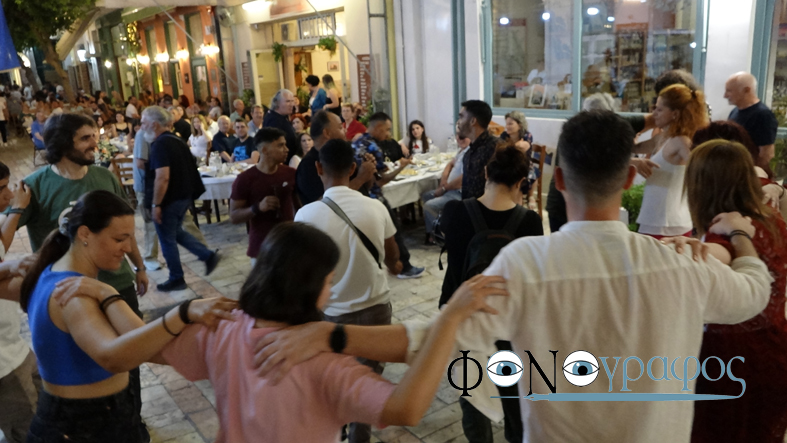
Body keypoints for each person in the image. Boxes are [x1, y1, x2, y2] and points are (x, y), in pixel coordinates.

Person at [255, 111, 773, 443]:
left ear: (559, 179)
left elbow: (432, 339)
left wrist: (333, 335)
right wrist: (738, 234)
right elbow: (754, 292)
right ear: (631, 176)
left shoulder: (526, 263)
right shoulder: (680, 265)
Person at [162, 221, 504, 442]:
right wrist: (449, 318)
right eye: (329, 281)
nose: (331, 288)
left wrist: (181, 313)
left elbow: (151, 349)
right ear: (310, 289)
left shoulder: (223, 328)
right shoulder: (320, 363)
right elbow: (406, 408)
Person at [18, 190, 235, 443]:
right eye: (120, 239)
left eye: (130, 238)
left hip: (99, 416)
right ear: (85, 234)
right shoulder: (75, 295)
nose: (129, 248)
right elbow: (113, 357)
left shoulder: (58, 273)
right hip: (81, 426)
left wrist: (108, 293)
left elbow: (142, 342)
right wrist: (182, 314)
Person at [294, 140, 405, 442]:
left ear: (319, 168)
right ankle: (359, 434)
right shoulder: (375, 207)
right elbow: (393, 255)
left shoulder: (305, 216)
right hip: (375, 309)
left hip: (329, 313)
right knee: (366, 382)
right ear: (354, 168)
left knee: (331, 378)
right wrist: (393, 264)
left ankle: (334, 428)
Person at [682, 140, 787, 443]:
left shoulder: (724, 232)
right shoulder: (772, 221)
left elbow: (717, 256)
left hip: (727, 362)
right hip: (774, 346)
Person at [440, 146, 543, 443]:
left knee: (471, 392)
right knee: (514, 397)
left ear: (486, 172)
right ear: (521, 181)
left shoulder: (455, 212)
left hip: (463, 316)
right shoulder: (530, 222)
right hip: (508, 321)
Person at [140, 106, 220, 291]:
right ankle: (207, 255)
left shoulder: (160, 144)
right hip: (183, 196)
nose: (141, 127)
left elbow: (162, 177)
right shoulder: (176, 140)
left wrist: (156, 204)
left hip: (169, 199)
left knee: (166, 239)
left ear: (154, 124)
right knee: (175, 232)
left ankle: (177, 278)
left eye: (144, 123)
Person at [352, 112, 425, 279]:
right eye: (387, 130)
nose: (388, 134)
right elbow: (380, 181)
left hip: (358, 196)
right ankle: (404, 267)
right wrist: (402, 167)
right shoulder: (373, 148)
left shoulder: (357, 143)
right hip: (373, 197)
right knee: (393, 231)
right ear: (378, 127)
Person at [635, 84, 709, 238]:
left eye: (659, 109)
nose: (654, 114)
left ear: (674, 114)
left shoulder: (681, 141)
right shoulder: (661, 138)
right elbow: (633, 148)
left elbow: (702, 172)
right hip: (655, 219)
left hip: (668, 224)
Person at [0, 162, 37, 443]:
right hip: (3, 362)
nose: (9, 194)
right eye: (1, 188)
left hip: (13, 344)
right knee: (28, 430)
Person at [230, 128, 299, 265]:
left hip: (289, 245)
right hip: (262, 248)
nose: (286, 149)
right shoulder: (245, 179)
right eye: (280, 145)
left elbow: (300, 206)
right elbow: (234, 216)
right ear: (265, 150)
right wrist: (257, 208)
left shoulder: (291, 174)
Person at [296, 111, 375, 205]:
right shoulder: (308, 165)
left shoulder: (344, 154)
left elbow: (365, 187)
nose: (345, 131)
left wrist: (368, 171)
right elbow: (323, 203)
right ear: (327, 133)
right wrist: (360, 178)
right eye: (340, 127)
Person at [421, 129, 468, 244]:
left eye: (463, 136)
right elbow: (450, 164)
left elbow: (463, 179)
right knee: (425, 195)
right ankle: (433, 230)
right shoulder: (461, 150)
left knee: (429, 205)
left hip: (458, 192)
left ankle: (442, 236)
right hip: (449, 189)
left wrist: (443, 189)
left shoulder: (469, 153)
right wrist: (443, 180)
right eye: (458, 135)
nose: (459, 139)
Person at [724, 72, 779, 166]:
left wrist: (751, 172)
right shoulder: (735, 111)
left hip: (748, 170)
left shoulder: (763, 115)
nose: (725, 96)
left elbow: (766, 154)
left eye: (729, 91)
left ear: (746, 90)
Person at [457, 100, 499, 200]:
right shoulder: (468, 153)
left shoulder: (496, 149)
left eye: (461, 117)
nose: (458, 122)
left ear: (472, 121)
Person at [499, 110, 538, 208]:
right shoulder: (504, 135)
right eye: (506, 124)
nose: (507, 126)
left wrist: (508, 147)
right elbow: (500, 150)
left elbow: (523, 147)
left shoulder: (527, 135)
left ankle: (525, 200)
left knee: (518, 177)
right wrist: (514, 146)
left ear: (520, 125)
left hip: (523, 165)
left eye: (510, 124)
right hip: (508, 165)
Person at [262, 89, 300, 163]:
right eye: (288, 101)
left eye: (292, 101)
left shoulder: (282, 117)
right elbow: (274, 145)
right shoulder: (273, 120)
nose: (291, 104)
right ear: (277, 103)